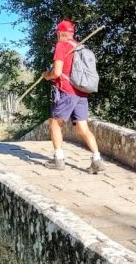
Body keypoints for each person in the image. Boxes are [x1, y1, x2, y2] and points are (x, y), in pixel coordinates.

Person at [42, 19, 105, 174]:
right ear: (72, 33)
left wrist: (46, 75)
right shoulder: (78, 47)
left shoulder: (61, 46)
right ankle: (97, 159)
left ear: (59, 33)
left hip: (66, 91)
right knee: (83, 128)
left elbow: (57, 72)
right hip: (81, 92)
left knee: (55, 124)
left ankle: (58, 159)